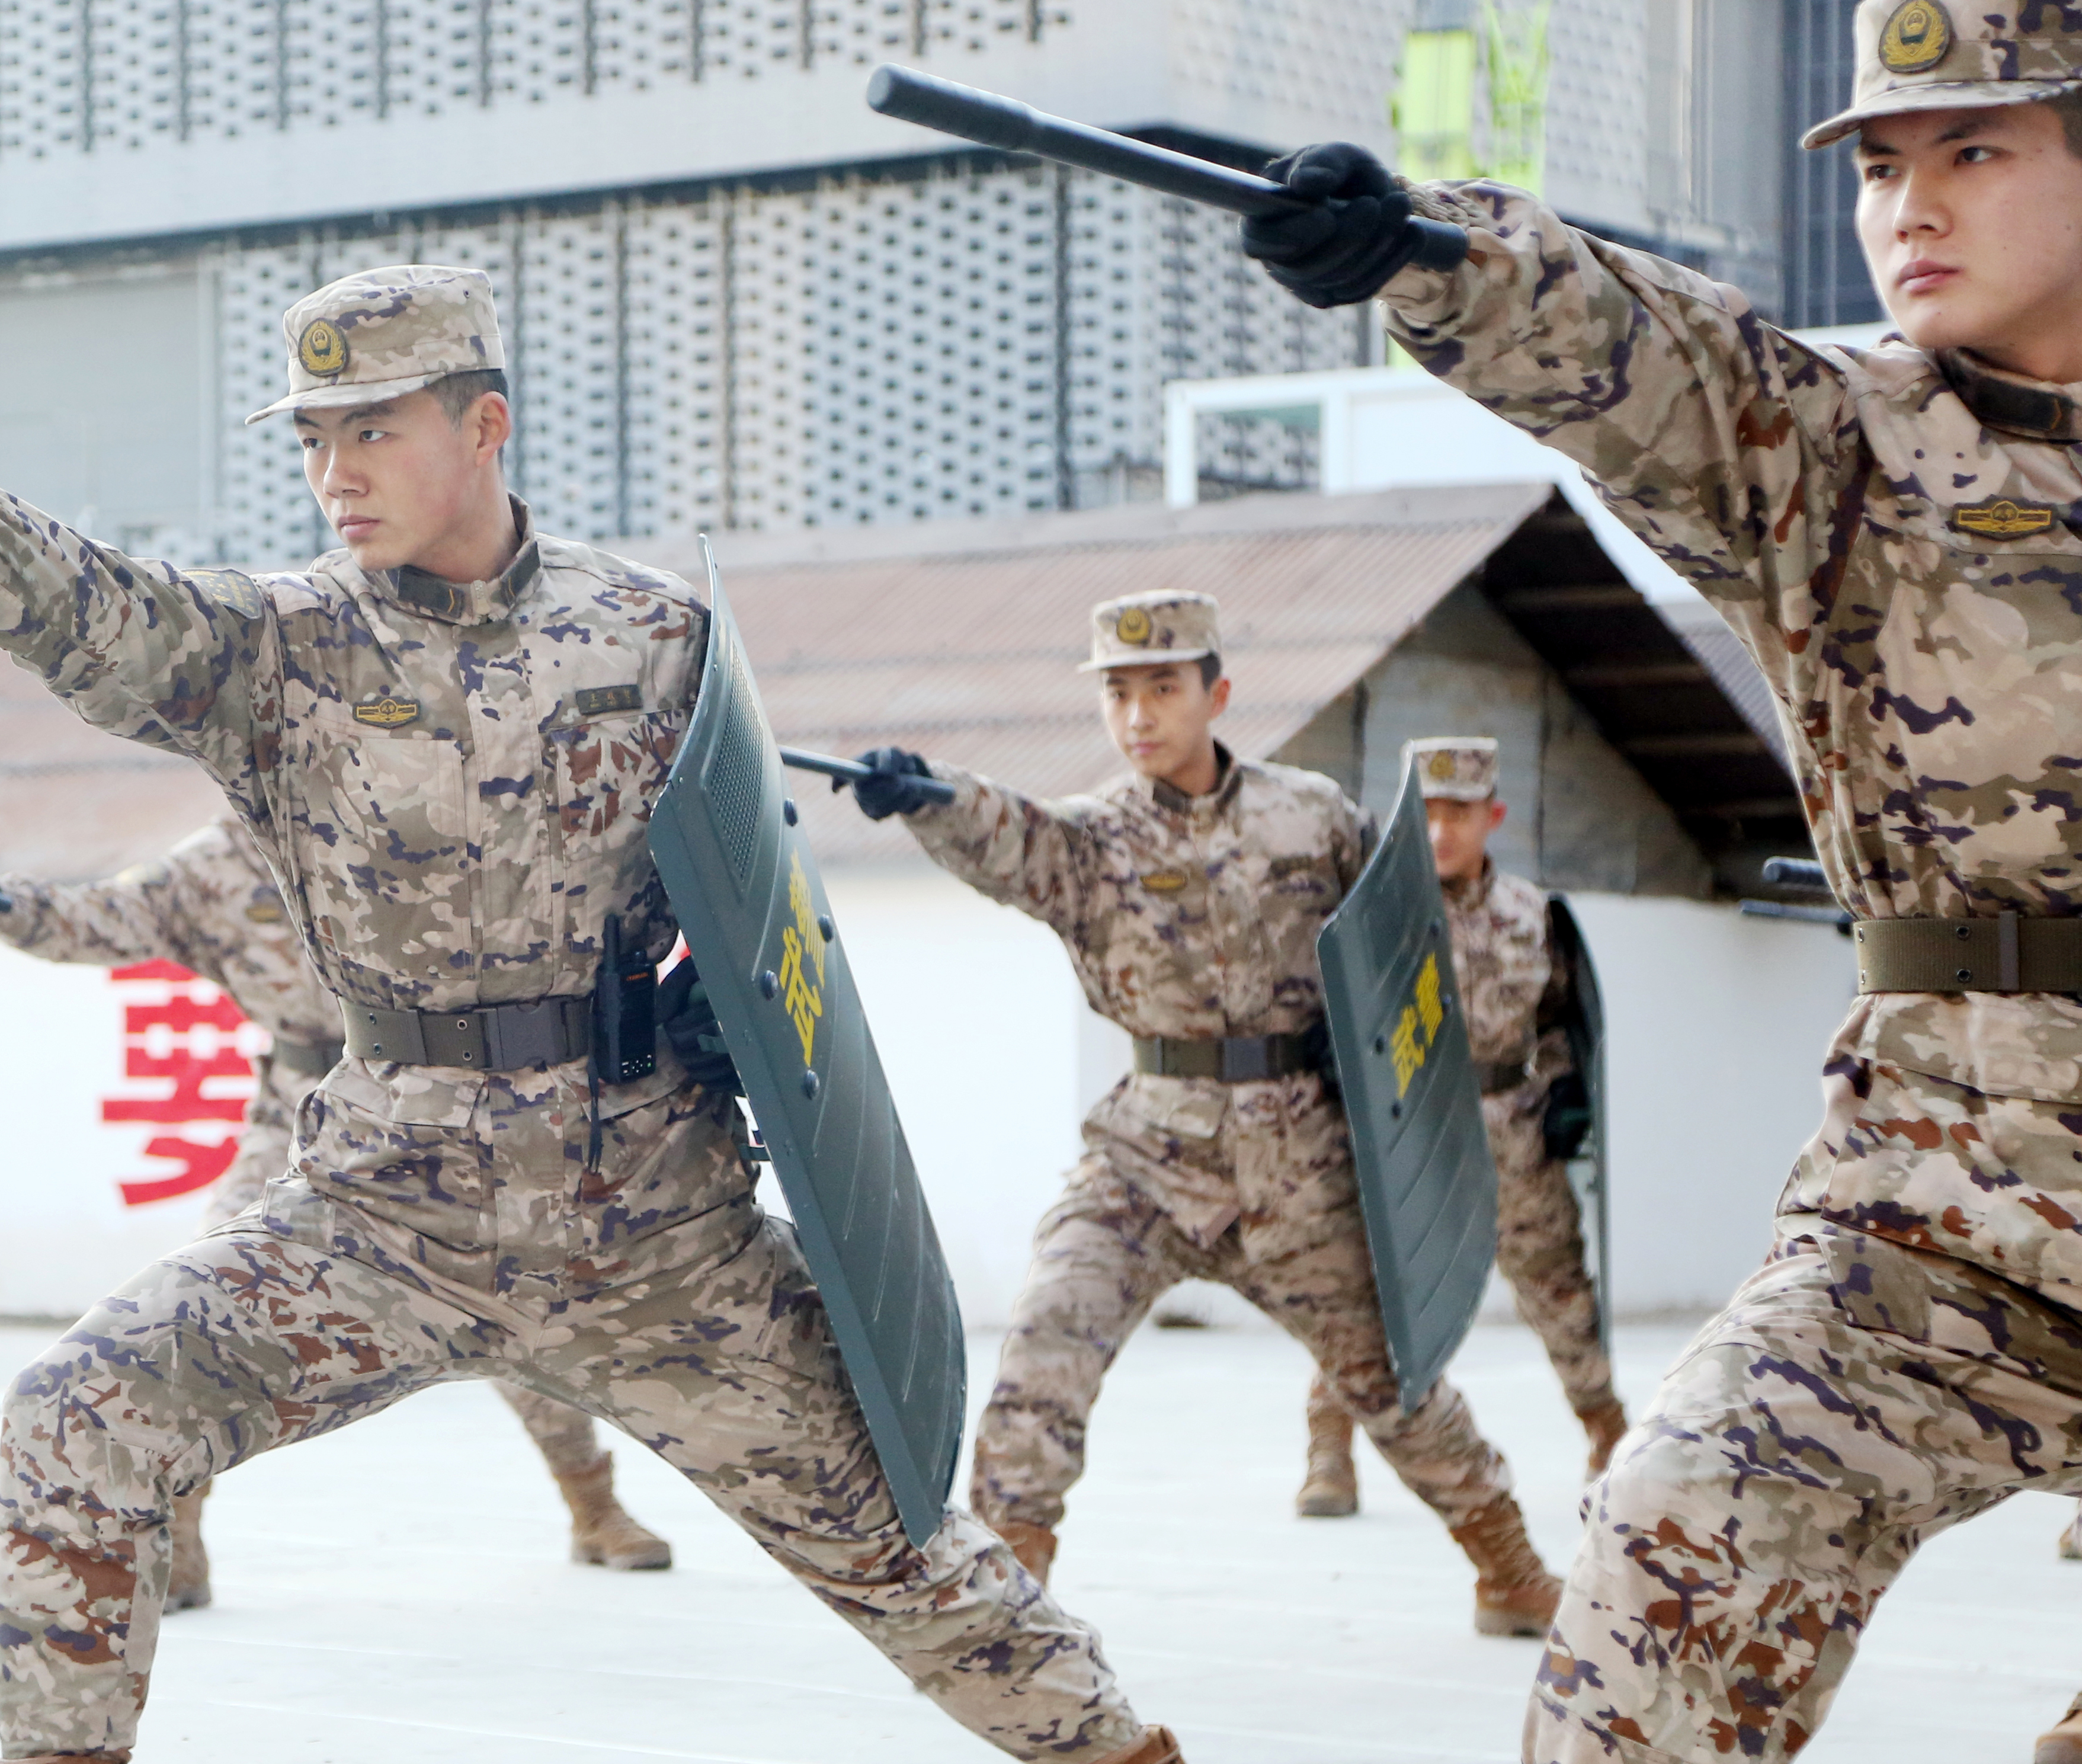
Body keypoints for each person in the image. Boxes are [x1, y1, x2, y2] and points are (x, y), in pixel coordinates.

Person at [0, 265, 1181, 1764]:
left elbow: (761, 920)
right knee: (76, 1412)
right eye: (309, 438)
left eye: (370, 428)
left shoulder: (656, 638)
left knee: (908, 1560)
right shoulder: (278, 652)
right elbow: (103, 616)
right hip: (381, 1222)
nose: (332, 472)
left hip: (657, 1238)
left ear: (483, 423)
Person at [1238, 5, 2082, 1757]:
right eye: (1872, 166)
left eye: (1970, 151)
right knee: (1674, 1533)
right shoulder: (1841, 455)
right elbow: (1650, 357)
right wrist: (1422, 251)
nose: (1903, 204)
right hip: (1939, 1206)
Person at [832, 598, 1564, 1637]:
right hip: (1145, 1153)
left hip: (1299, 1164)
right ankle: (1002, 1614)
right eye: (1117, 691)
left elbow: (1403, 950)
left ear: (1215, 695)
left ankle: (1509, 1566)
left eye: (1161, 687)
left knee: (1395, 1383)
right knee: (1043, 1354)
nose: (1137, 713)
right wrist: (926, 796)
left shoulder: (1310, 816)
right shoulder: (1095, 840)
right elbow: (1011, 834)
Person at [0, 814, 676, 1610]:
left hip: (424, 1106)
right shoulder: (209, 866)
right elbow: (99, 920)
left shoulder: (388, 825)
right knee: (206, 1313)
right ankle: (181, 1536)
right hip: (296, 1105)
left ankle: (593, 1507)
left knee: (502, 1303)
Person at [1295, 737, 1623, 1519]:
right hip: (1404, 1132)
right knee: (1363, 1293)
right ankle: (1328, 1450)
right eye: (1427, 813)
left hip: (1509, 1128)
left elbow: (1557, 1020)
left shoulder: (1531, 914)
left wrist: (1565, 1093)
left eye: (1459, 813)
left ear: (1492, 816)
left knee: (1558, 1290)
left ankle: (1608, 1431)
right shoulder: (1374, 919)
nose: (1441, 831)